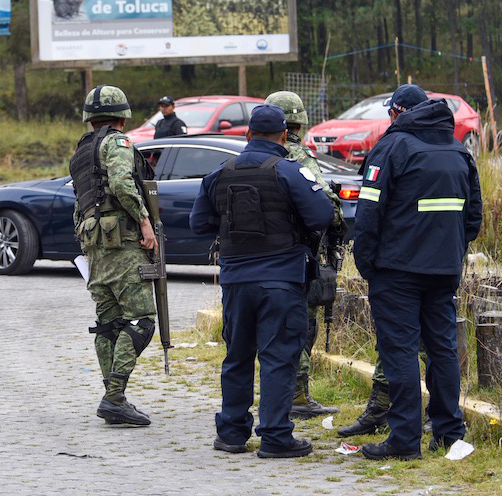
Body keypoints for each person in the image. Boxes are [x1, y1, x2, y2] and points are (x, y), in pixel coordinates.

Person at [190, 105, 334, 458]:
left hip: (236, 281)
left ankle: (232, 434)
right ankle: (275, 437)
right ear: (285, 136)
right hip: (281, 281)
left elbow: (198, 224)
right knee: (279, 357)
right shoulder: (290, 171)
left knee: (237, 356)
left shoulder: (219, 174)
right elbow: (322, 215)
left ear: (247, 135)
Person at [350, 84, 482, 460]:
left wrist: (367, 262)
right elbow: (473, 217)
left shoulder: (393, 147)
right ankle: (448, 432)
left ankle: (404, 440)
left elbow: (369, 212)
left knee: (401, 351)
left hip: (397, 271)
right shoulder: (459, 150)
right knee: (442, 350)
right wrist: (449, 250)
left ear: (398, 112)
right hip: (443, 270)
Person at [70, 84, 158, 427]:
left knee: (108, 325)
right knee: (141, 321)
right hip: (122, 245)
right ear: (123, 116)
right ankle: (114, 397)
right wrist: (145, 222)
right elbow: (123, 185)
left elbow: (79, 204)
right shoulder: (118, 143)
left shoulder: (80, 151)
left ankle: (114, 397)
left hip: (95, 248)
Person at [264, 90, 344, 420]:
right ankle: (297, 395)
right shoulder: (299, 157)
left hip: (256, 260)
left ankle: (275, 394)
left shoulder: (252, 156)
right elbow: (327, 206)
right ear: (298, 124)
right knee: (301, 326)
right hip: (297, 258)